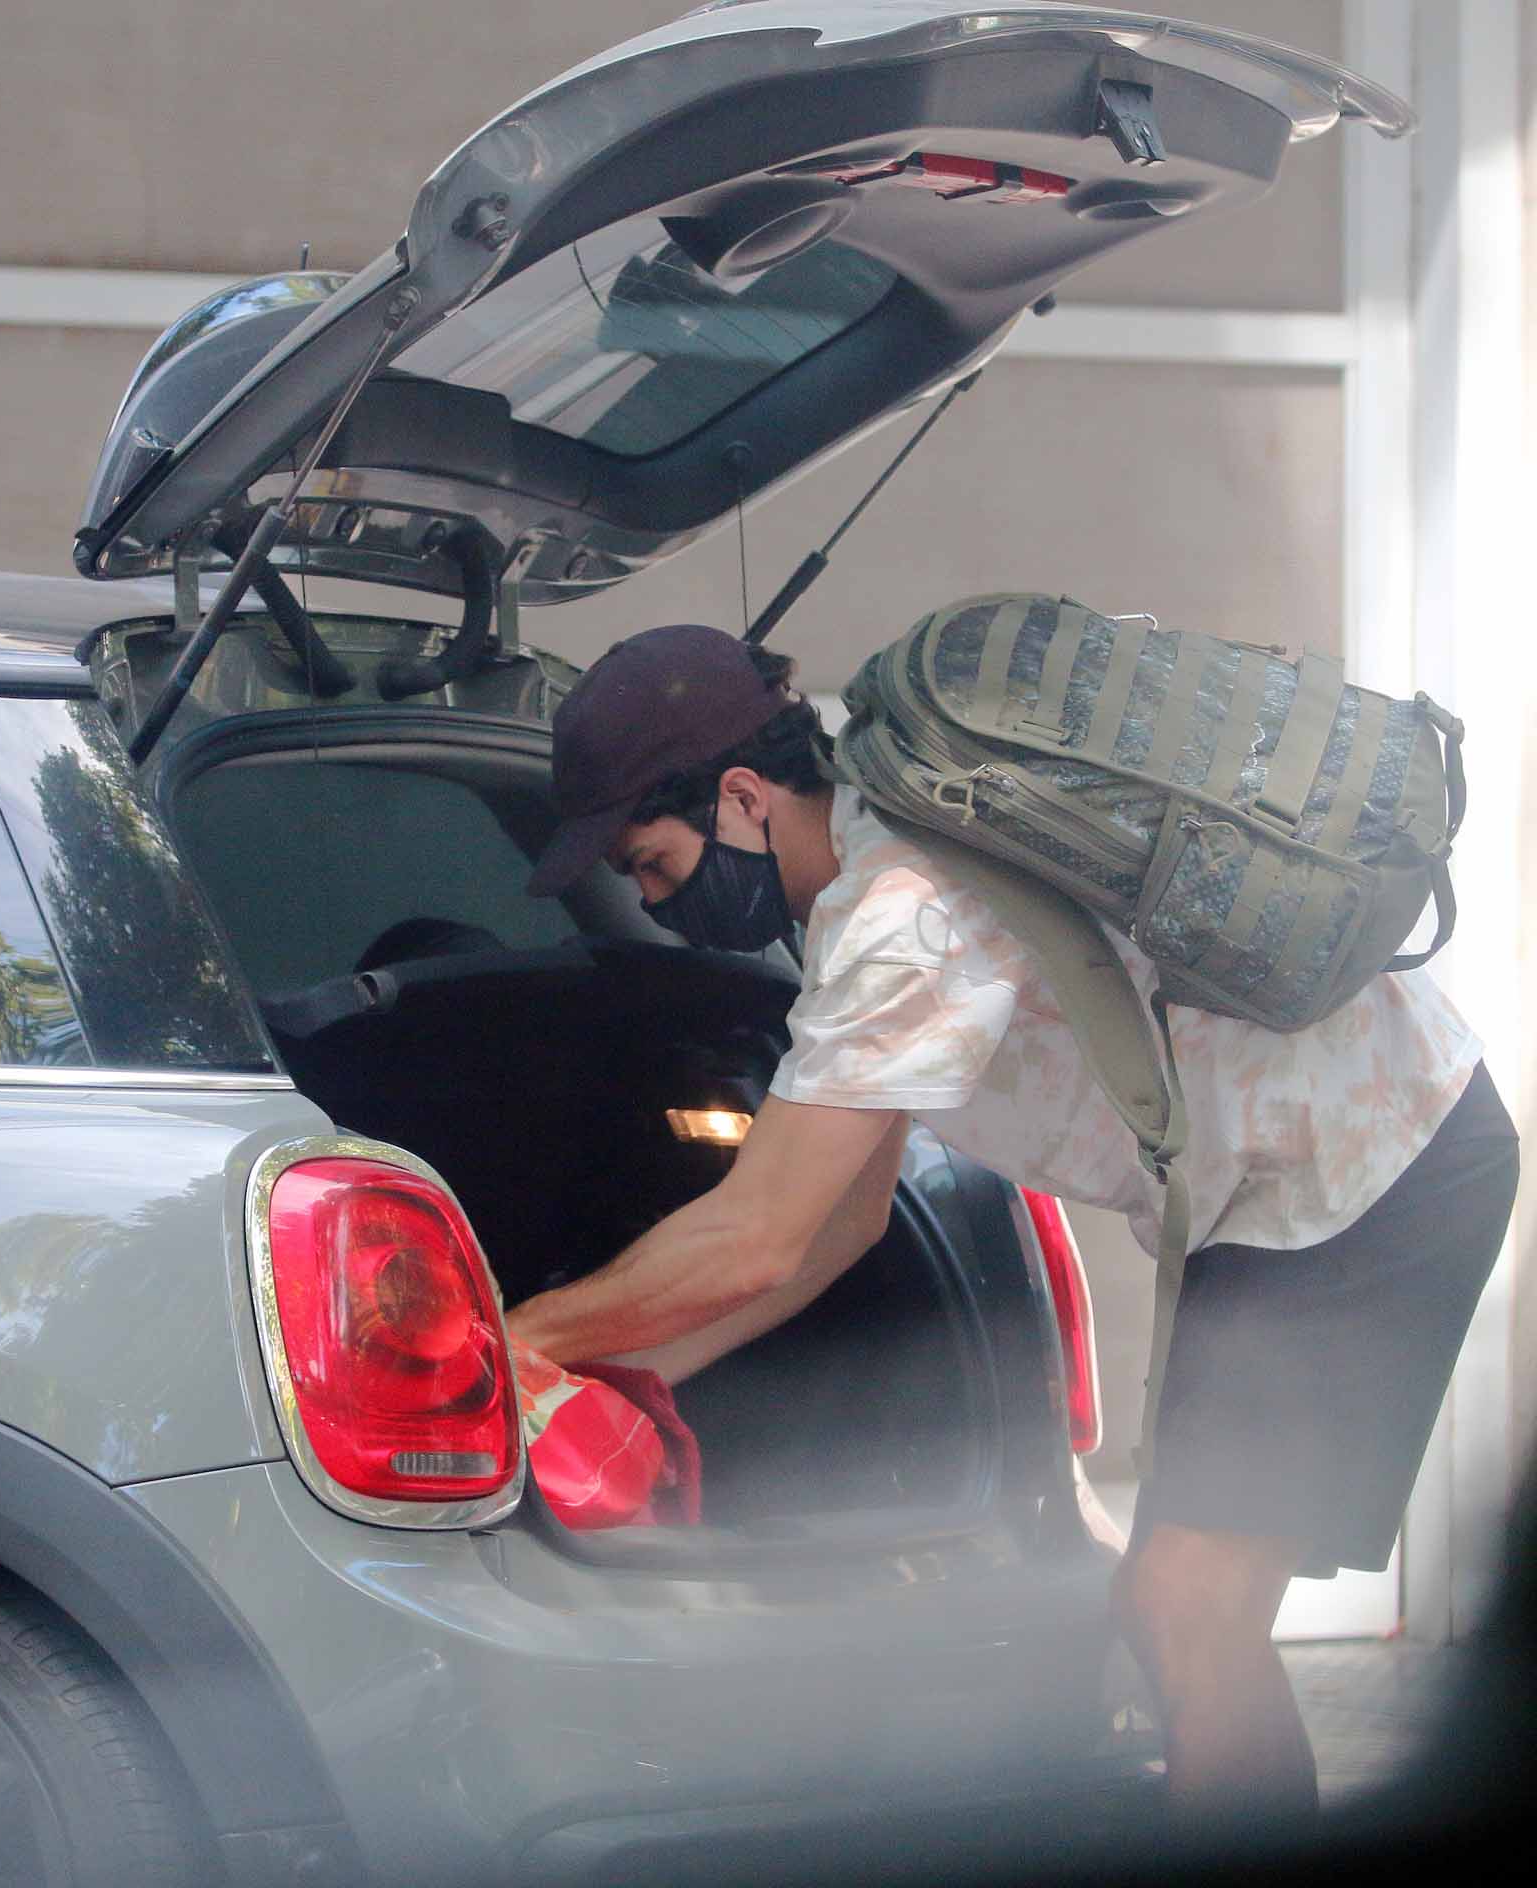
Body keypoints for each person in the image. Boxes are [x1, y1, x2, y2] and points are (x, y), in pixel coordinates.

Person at [509, 622, 1519, 1834]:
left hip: (1371, 1173)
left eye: (653, 864)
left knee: (1186, 1606)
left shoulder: (901, 915)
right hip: (1291, 1186)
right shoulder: (871, 881)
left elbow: (757, 1233)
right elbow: (840, 1226)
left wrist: (512, 1340)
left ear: (738, 796)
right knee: (1179, 1608)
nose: (650, 901)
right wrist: (622, 1377)